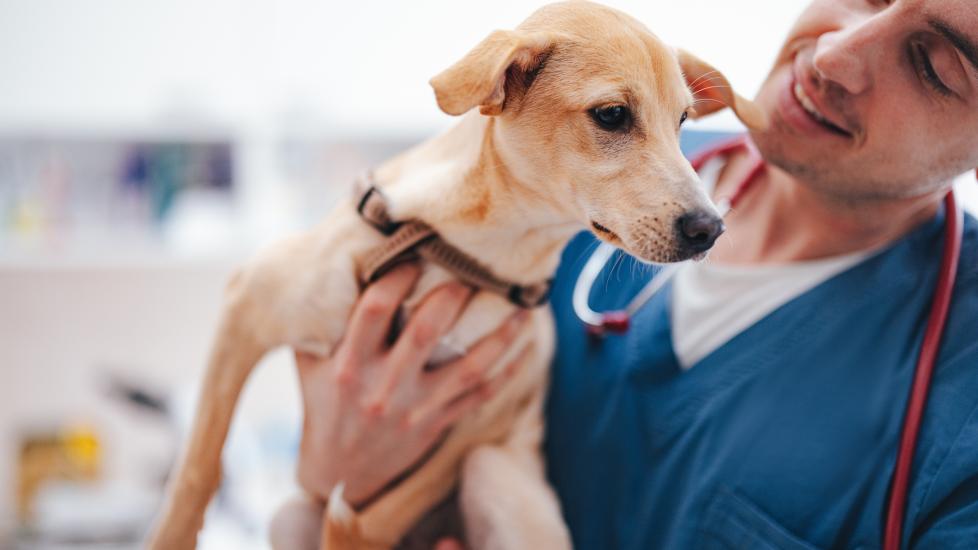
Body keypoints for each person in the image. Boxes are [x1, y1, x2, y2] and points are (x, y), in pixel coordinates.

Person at [293, 0, 978, 547]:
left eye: (935, 65)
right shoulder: (571, 154)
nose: (834, 53)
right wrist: (329, 475)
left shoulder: (960, 389)